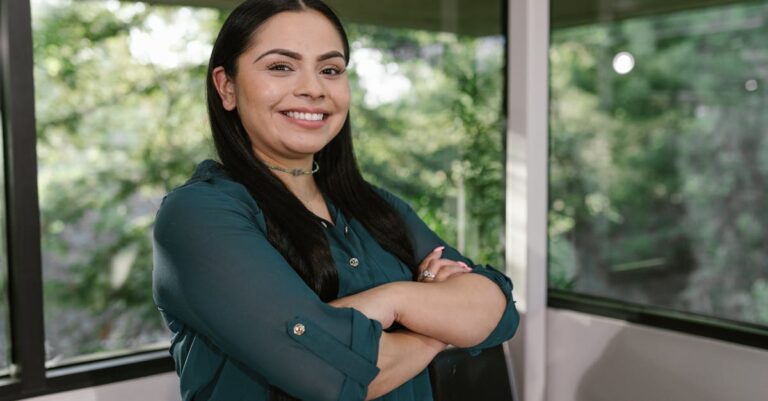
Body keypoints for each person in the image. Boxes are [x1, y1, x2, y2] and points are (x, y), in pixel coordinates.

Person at [151, 0, 520, 400]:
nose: (313, 89)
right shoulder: (199, 216)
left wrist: (393, 300)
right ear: (227, 86)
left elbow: (498, 310)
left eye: (330, 70)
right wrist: (438, 327)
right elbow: (331, 376)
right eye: (280, 66)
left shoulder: (376, 207)